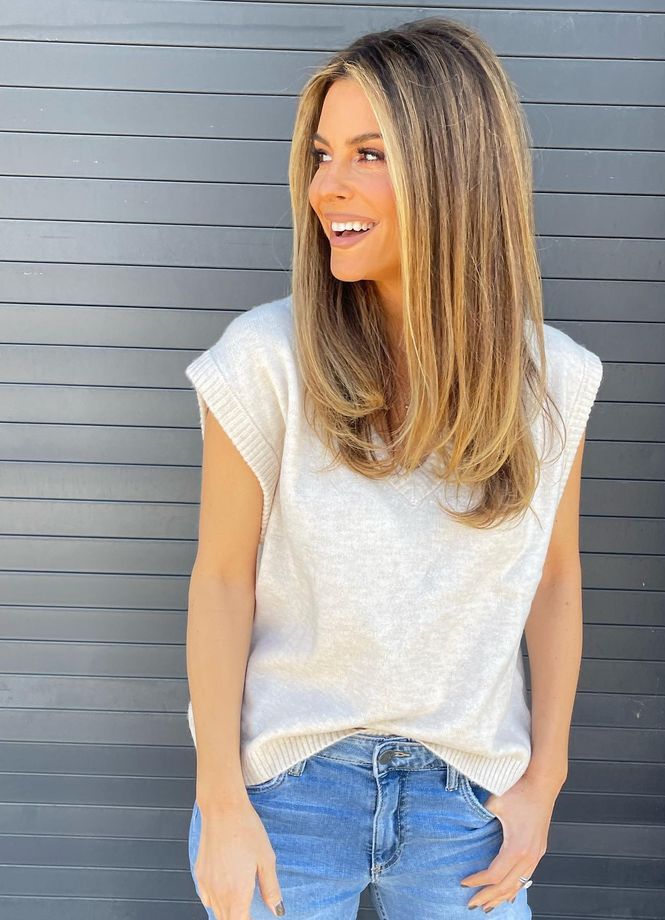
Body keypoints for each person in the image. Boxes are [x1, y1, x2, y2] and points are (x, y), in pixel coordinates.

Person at [184, 16, 603, 920]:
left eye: (369, 154)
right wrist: (220, 797)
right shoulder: (264, 361)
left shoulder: (555, 382)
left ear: (454, 169)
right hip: (287, 793)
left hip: (468, 804)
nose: (327, 186)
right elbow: (221, 581)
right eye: (323, 154)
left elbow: (556, 580)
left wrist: (547, 784)